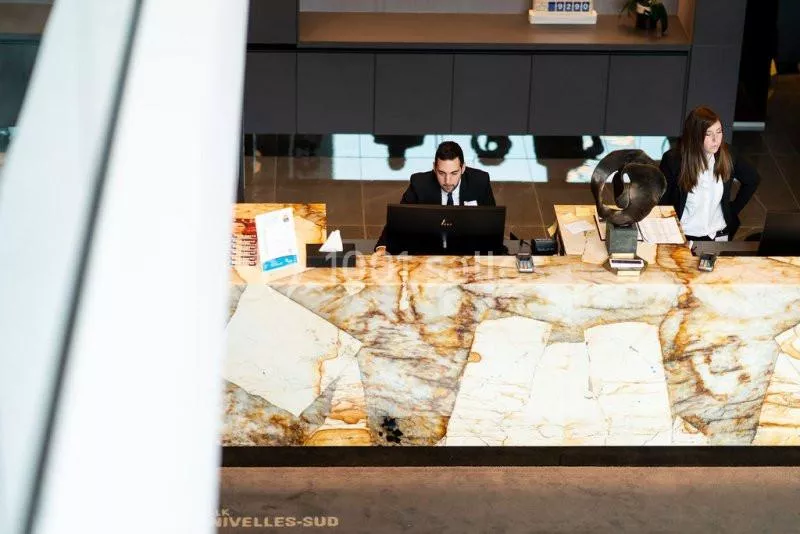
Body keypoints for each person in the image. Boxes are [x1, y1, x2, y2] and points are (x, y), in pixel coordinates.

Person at [374, 140, 496, 254]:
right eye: (441, 173)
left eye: (454, 173)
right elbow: (399, 222)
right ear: (434, 168)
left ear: (463, 168)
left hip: (465, 257)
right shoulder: (419, 183)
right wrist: (382, 248)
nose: (447, 181)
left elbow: (492, 226)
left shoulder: (480, 181)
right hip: (426, 256)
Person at [659, 106, 760, 241]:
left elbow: (752, 179)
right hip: (684, 235)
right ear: (695, 136)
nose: (716, 139)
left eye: (719, 132)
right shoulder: (673, 160)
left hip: (718, 233)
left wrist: (731, 210)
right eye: (708, 134)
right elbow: (662, 202)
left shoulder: (728, 154)